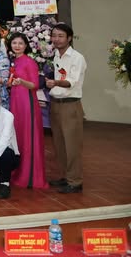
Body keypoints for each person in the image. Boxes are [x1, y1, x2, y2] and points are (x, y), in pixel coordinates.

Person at [45, 22, 85, 194]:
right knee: (59, 144)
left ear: (69, 38)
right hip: (56, 103)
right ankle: (65, 176)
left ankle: (75, 181)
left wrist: (55, 82)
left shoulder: (77, 57)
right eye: (54, 35)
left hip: (70, 105)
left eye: (60, 36)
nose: (56, 39)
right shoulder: (56, 56)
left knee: (72, 145)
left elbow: (72, 82)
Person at [6, 32, 48, 190]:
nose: (17, 46)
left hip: (27, 103)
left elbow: (35, 85)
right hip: (16, 102)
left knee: (28, 136)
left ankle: (30, 176)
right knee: (18, 136)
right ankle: (18, 171)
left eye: (20, 43)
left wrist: (21, 81)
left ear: (25, 46)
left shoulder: (29, 62)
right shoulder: (14, 61)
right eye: (14, 43)